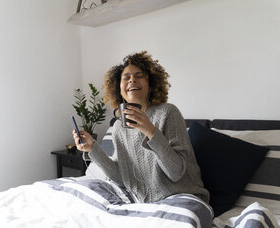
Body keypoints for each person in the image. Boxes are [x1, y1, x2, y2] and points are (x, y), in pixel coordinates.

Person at [73, 51, 209, 204]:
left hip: (181, 198)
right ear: (119, 88)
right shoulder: (119, 126)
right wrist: (92, 148)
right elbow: (122, 178)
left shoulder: (168, 112)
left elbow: (176, 172)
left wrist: (150, 131)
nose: (132, 81)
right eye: (126, 78)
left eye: (139, 76)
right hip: (144, 203)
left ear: (151, 84)